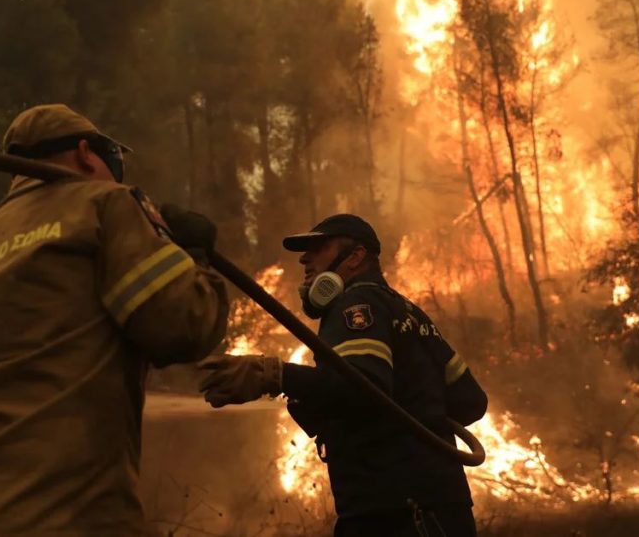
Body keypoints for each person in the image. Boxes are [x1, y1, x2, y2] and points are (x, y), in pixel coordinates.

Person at [0, 104, 229, 536]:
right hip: (50, 515)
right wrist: (193, 257)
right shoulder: (103, 203)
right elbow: (183, 326)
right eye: (113, 160)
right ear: (85, 153)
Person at [199, 214, 488, 536]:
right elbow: (471, 401)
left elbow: (362, 388)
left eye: (319, 248)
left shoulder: (355, 304)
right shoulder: (408, 312)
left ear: (355, 256)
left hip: (393, 514)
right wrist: (413, 415)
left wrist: (274, 375)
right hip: (444, 509)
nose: (304, 259)